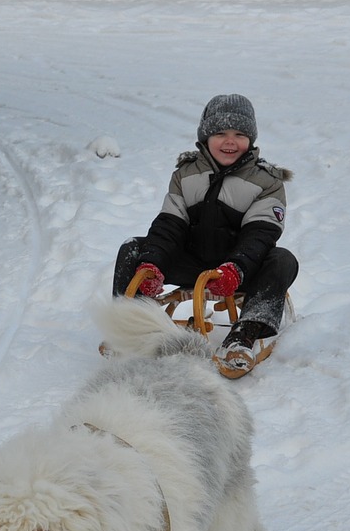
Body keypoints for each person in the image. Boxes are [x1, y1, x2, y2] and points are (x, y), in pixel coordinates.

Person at [111, 93, 298, 377]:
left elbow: (260, 234)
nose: (230, 141)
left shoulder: (266, 181)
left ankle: (244, 334)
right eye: (220, 133)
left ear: (252, 139)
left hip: (239, 269)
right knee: (133, 249)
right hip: (192, 262)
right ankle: (130, 325)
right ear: (205, 136)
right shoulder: (186, 174)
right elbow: (169, 225)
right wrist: (153, 264)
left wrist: (236, 268)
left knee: (282, 260)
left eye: (239, 134)